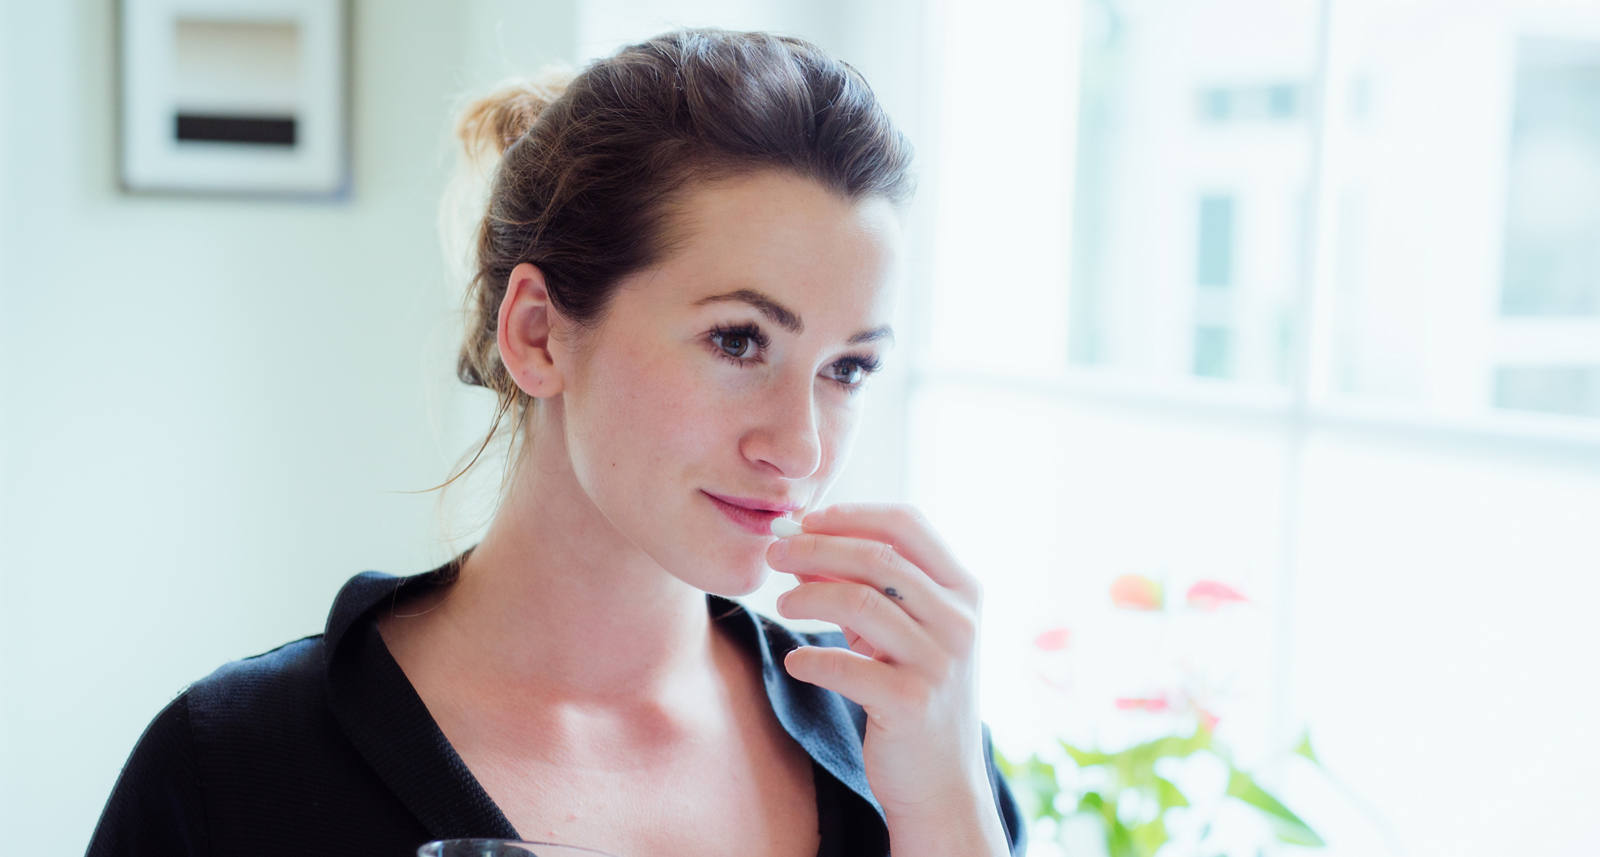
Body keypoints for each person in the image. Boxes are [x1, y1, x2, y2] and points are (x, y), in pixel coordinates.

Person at [87, 28, 1026, 857]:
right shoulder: (234, 770)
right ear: (538, 333)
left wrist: (948, 811)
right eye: (738, 341)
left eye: (849, 368)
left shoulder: (904, 750)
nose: (802, 448)